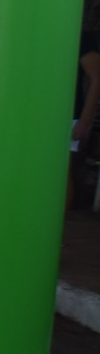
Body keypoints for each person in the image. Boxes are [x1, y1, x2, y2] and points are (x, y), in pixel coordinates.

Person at [73, 18, 99, 210]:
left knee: (60, 175)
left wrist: (84, 121)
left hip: (70, 117)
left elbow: (96, 79)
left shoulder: (82, 39)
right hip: (33, 116)